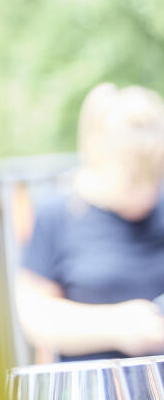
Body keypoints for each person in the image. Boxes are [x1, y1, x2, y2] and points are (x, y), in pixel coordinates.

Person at [17, 82, 164, 360]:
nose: (147, 193)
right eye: (132, 180)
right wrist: (118, 327)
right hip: (96, 394)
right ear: (99, 156)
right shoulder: (57, 215)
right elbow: (35, 316)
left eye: (155, 178)